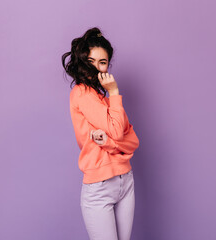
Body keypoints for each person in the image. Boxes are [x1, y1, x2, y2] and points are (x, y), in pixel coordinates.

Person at [62, 27, 140, 240]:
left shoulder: (104, 100)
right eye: (91, 61)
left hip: (125, 180)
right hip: (100, 186)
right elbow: (118, 130)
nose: (97, 68)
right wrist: (114, 91)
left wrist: (110, 143)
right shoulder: (82, 93)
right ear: (82, 62)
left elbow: (133, 142)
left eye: (102, 62)